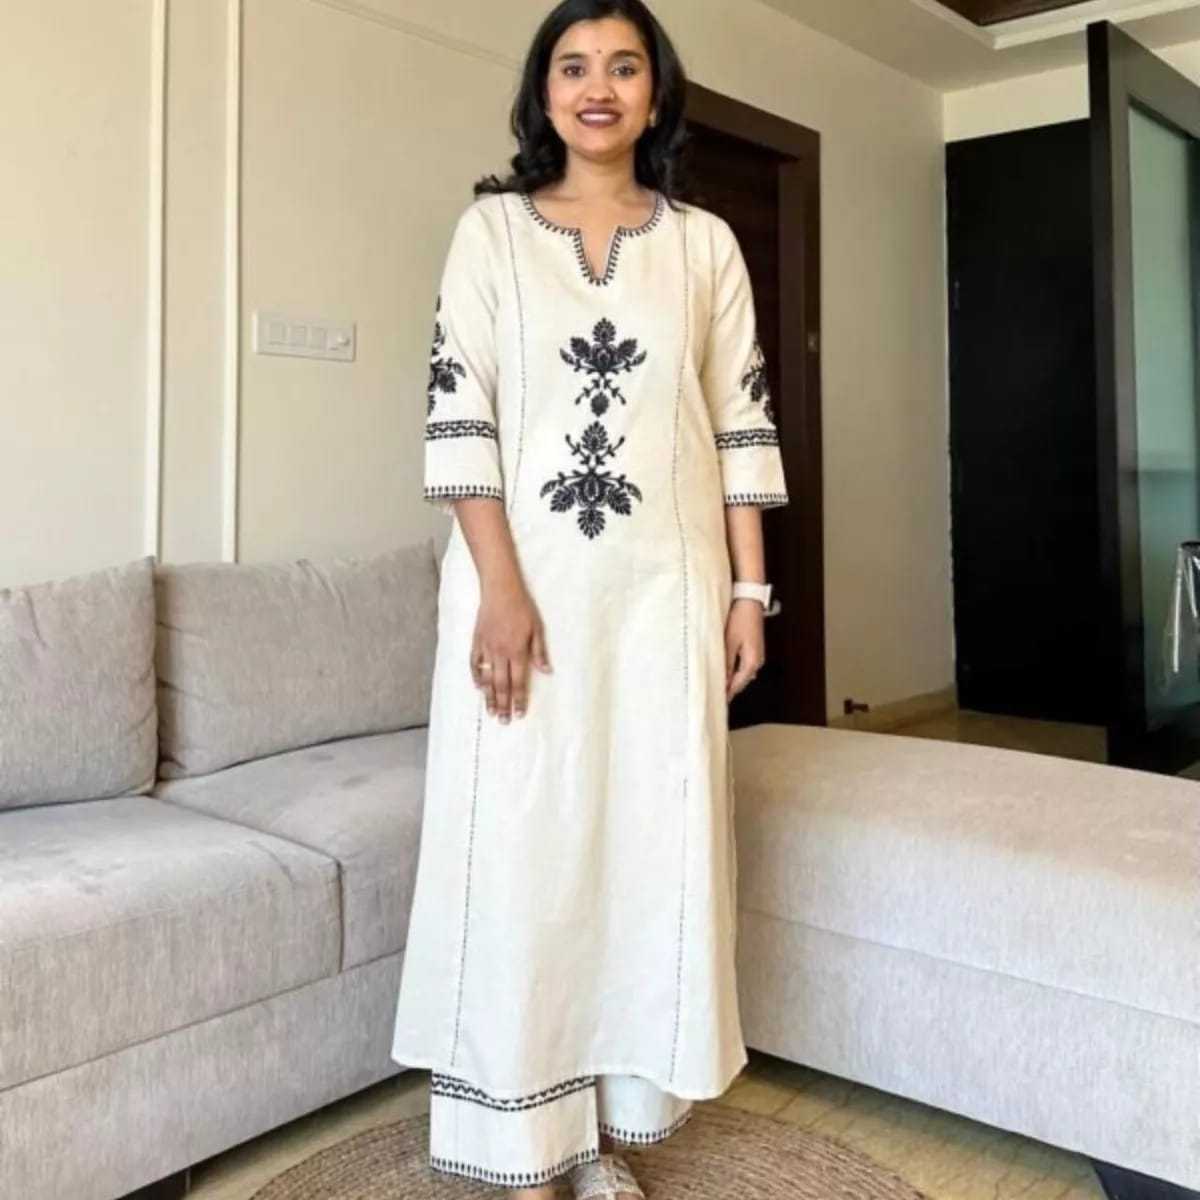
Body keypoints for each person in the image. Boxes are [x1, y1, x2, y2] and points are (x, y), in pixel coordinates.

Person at [390, 1, 789, 1196]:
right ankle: (524, 1150)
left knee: (639, 849)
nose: (598, 87)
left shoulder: (705, 246)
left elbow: (741, 424)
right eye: (574, 66)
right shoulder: (492, 233)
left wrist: (750, 590)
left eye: (623, 66)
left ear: (656, 94)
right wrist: (500, 591)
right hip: (523, 601)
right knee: (521, 855)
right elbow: (460, 417)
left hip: (665, 602)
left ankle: (602, 1136)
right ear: (544, 92)